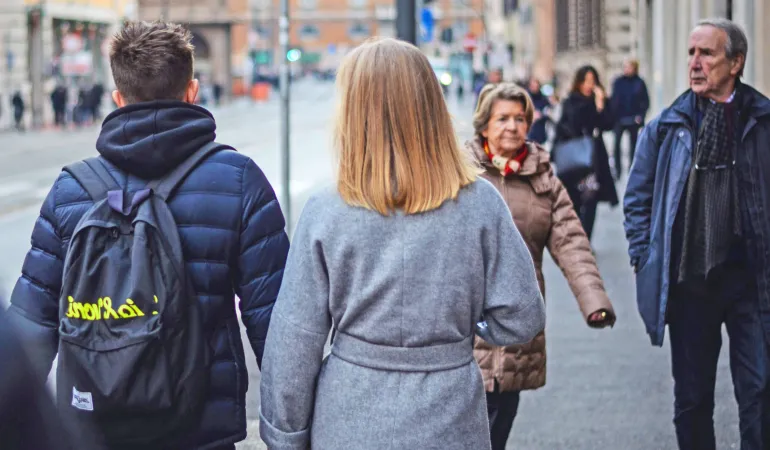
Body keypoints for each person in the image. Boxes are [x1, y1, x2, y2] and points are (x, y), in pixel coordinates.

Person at [5, 20, 289, 450]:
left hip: (95, 428)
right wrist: (292, 431)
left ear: (118, 99)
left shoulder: (70, 191)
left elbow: (30, 329)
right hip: (201, 430)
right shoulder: (239, 181)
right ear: (191, 92)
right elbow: (275, 329)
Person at [259, 37, 545, 450]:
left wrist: (285, 436)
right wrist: (461, 326)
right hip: (450, 414)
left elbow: (296, 341)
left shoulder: (327, 209)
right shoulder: (481, 203)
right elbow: (522, 315)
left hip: (351, 413)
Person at [624, 18, 770, 450]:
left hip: (751, 282)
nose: (695, 63)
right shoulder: (666, 127)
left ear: (736, 62)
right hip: (689, 284)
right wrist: (643, 259)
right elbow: (638, 201)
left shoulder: (762, 122)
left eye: (707, 53)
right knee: (692, 400)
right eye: (691, 53)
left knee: (759, 393)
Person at [468, 82, 615, 450]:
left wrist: (594, 300)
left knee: (501, 419)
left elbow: (571, 242)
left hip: (517, 320)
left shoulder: (544, 179)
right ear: (484, 125)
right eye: (502, 118)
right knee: (472, 424)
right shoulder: (460, 176)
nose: (513, 127)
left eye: (520, 119)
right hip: (467, 322)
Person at [553, 65, 619, 241]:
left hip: (594, 158)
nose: (589, 85)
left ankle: (585, 240)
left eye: (593, 81)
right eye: (586, 81)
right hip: (575, 156)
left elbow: (609, 125)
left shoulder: (600, 101)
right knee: (574, 199)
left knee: (591, 198)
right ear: (579, 82)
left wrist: (600, 105)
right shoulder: (571, 101)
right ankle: (576, 238)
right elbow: (566, 125)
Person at [610, 58, 650, 178]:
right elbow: (613, 101)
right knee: (616, 145)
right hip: (619, 119)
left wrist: (640, 117)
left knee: (634, 146)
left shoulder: (640, 82)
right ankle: (617, 170)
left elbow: (646, 102)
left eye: (630, 66)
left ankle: (632, 169)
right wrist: (613, 117)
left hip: (634, 120)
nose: (627, 69)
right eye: (625, 66)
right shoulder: (618, 82)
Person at [526, 77, 554, 144]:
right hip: (527, 134)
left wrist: (541, 115)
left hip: (540, 134)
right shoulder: (525, 99)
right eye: (533, 86)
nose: (535, 88)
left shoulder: (544, 100)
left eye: (537, 86)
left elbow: (549, 113)